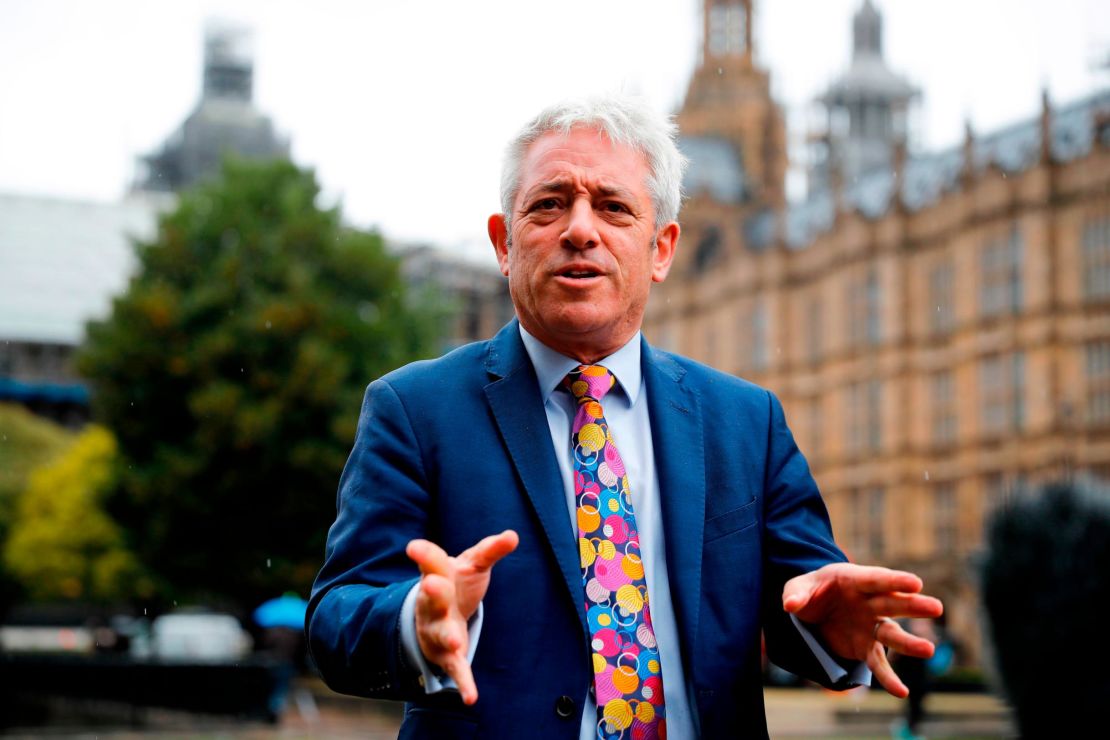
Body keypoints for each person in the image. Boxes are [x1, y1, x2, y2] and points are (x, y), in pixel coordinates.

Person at [306, 95, 942, 738]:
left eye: (613, 207)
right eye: (549, 204)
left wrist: (827, 628)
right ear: (503, 243)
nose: (581, 229)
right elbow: (337, 616)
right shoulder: (414, 409)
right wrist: (415, 620)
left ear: (661, 248)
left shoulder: (747, 421)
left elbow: (808, 600)